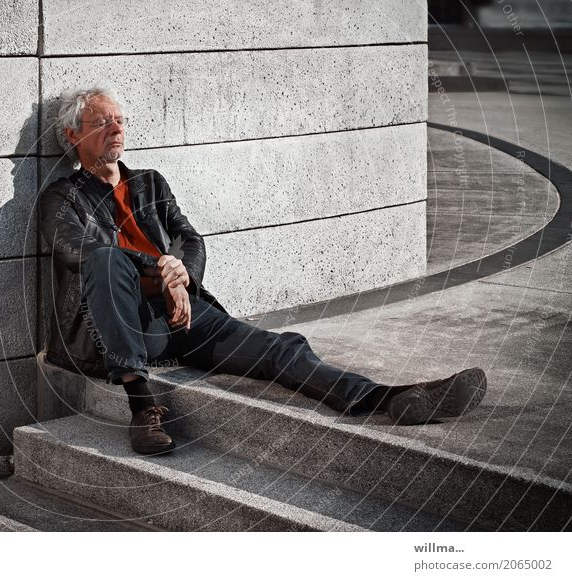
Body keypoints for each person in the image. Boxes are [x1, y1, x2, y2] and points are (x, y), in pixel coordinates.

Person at [39, 87, 487, 455]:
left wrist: (183, 277)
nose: (117, 129)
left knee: (280, 348)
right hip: (118, 330)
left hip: (180, 316)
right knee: (104, 255)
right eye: (102, 122)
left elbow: (190, 239)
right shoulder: (62, 198)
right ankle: (141, 405)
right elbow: (80, 250)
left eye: (120, 120)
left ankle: (385, 397)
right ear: (71, 135)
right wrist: (162, 266)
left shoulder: (150, 182)